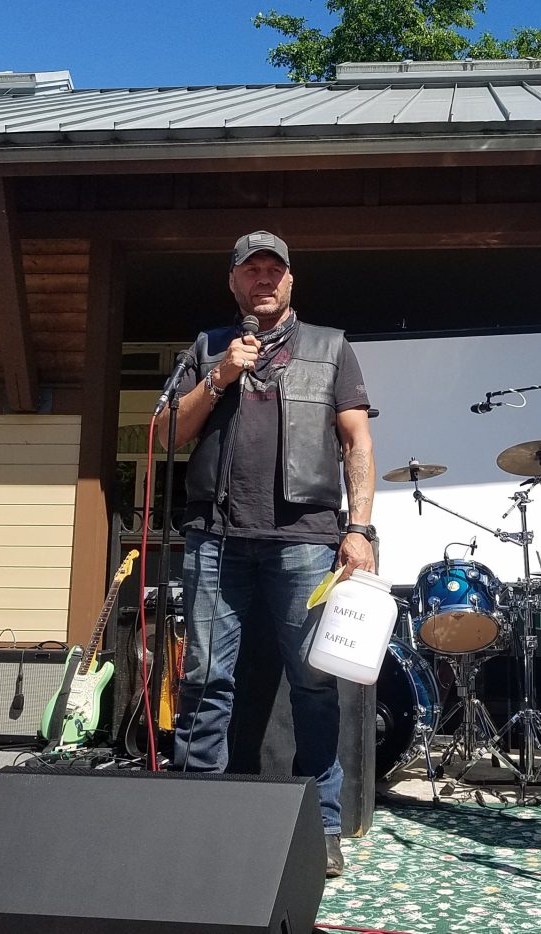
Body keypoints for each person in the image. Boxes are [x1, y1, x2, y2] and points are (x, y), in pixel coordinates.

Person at [158, 230, 376, 876]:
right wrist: (220, 375)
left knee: (313, 684)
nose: (264, 280)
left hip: (304, 540)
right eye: (251, 271)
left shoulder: (331, 347)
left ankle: (323, 820)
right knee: (203, 680)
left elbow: (356, 444)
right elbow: (168, 431)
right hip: (215, 537)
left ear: (290, 281)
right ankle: (201, 811)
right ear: (234, 283)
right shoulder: (207, 348)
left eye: (274, 270)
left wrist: (358, 529)